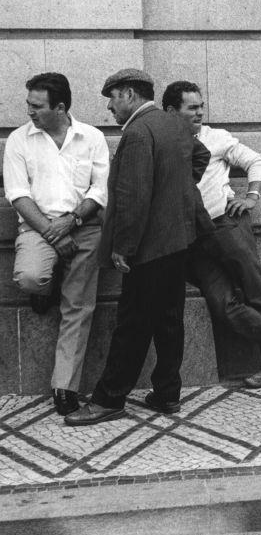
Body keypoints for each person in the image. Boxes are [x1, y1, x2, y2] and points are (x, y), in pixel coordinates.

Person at [66, 69, 209, 426]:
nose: (110, 107)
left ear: (129, 94)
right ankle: (166, 393)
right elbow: (200, 156)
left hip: (148, 247)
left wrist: (122, 248)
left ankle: (109, 399)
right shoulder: (174, 124)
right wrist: (176, 194)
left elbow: (132, 198)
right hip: (178, 241)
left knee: (132, 324)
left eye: (112, 98)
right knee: (169, 321)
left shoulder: (138, 133)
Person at [162, 81, 261, 388]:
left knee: (256, 291)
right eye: (192, 108)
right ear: (170, 111)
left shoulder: (215, 138)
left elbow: (255, 160)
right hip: (192, 240)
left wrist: (251, 197)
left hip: (226, 226)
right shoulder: (163, 142)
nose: (199, 113)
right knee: (224, 305)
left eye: (201, 106)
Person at [3, 73, 109, 416]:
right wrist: (53, 232)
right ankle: (45, 284)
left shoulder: (91, 137)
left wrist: (73, 221)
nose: (30, 111)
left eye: (37, 106)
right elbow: (17, 194)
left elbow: (99, 190)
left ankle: (65, 386)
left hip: (84, 225)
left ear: (60, 107)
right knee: (30, 277)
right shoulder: (20, 140)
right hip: (39, 227)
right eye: (28, 104)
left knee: (78, 306)